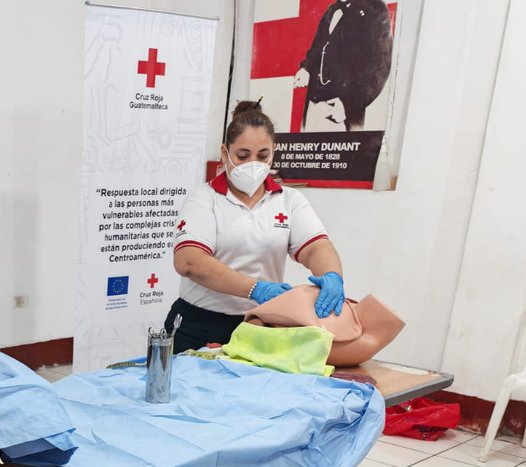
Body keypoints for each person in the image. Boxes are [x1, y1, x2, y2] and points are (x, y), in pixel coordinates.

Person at [165, 100, 346, 353]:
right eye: (242, 155)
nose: (253, 164)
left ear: (273, 151)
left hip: (260, 326)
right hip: (199, 326)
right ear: (225, 152)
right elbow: (189, 261)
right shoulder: (204, 200)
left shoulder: (289, 200)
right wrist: (254, 288)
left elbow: (316, 247)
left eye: (262, 156)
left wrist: (332, 276)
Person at [293, 0, 393, 131]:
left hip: (343, 115)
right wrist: (306, 68)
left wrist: (348, 104)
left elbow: (381, 66)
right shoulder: (332, 10)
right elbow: (317, 49)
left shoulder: (375, 9)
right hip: (314, 107)